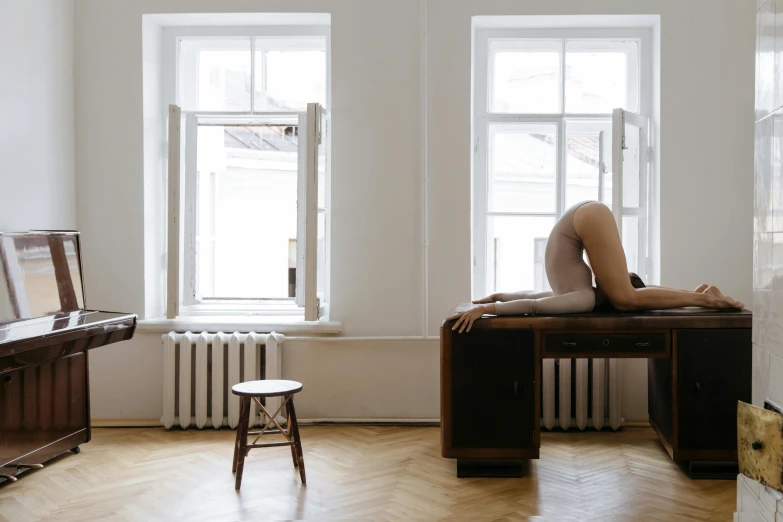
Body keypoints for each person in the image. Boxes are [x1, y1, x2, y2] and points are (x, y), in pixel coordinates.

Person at [450, 201, 744, 333]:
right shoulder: (584, 295)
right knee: (627, 299)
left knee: (627, 298)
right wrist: (494, 303)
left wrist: (496, 301)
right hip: (584, 217)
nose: (610, 280)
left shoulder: (582, 296)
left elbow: (537, 301)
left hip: (583, 215)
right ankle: (703, 297)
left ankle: (703, 295)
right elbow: (537, 303)